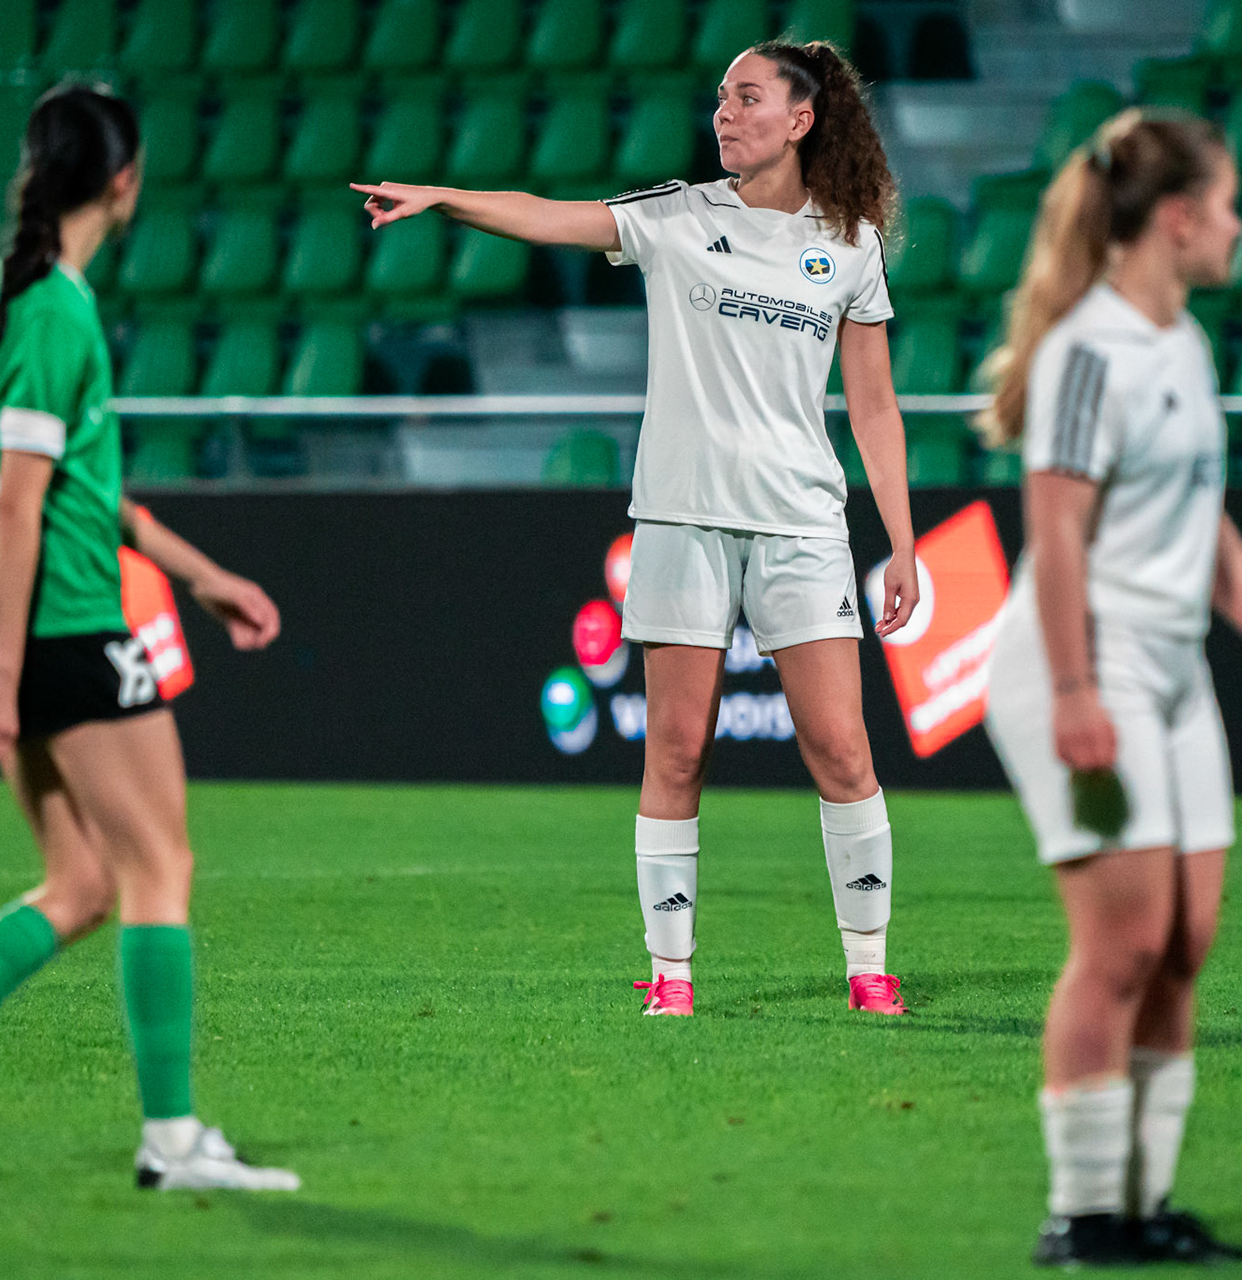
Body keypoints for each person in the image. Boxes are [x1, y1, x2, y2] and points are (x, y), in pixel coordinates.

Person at [354, 40, 920, 1018]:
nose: (723, 114)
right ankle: (672, 973)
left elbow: (873, 405)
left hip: (801, 524)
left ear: (802, 117)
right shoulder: (678, 216)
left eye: (747, 98)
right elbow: (549, 217)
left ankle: (868, 964)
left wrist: (904, 540)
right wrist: (449, 196)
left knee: (842, 750)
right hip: (679, 518)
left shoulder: (852, 242)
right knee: (676, 750)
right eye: (718, 99)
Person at [0, 84, 299, 1195]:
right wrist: (3, 675)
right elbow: (24, 505)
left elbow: (80, 491)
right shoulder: (57, 309)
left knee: (85, 879)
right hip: (55, 618)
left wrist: (201, 577)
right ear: (126, 181)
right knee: (160, 865)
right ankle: (173, 1139)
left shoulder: (2, 292)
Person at [977, 109, 1242, 1266]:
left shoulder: (1183, 343)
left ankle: (1146, 1207)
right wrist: (1073, 688)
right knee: (1122, 944)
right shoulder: (1089, 351)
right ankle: (1084, 1214)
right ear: (1179, 217)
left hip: (1171, 666)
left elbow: (1201, 524)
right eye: (1232, 205)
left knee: (1187, 939)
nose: (1241, 228)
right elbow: (1054, 535)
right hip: (1081, 660)